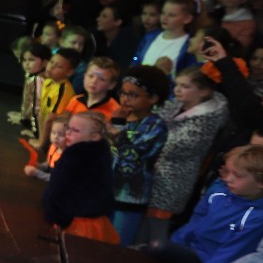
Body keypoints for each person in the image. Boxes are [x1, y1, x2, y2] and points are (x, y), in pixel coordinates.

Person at [148, 145, 263, 263]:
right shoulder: (218, 193)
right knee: (154, 249)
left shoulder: (260, 217)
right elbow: (194, 223)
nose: (228, 179)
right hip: (191, 249)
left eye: (237, 175)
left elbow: (232, 254)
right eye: (228, 172)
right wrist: (173, 246)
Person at [143, 67, 229, 243]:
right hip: (151, 174)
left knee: (156, 229)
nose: (178, 90)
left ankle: (153, 255)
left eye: (185, 86)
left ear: (203, 91)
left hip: (172, 180)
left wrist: (146, 140)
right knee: (142, 224)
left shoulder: (206, 120)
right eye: (177, 85)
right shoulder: (175, 104)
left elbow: (174, 147)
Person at [109, 66, 171, 244]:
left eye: (133, 95)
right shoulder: (119, 116)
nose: (125, 99)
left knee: (117, 244)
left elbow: (133, 153)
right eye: (123, 93)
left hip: (131, 198)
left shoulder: (155, 125)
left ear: (153, 98)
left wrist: (116, 128)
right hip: (107, 191)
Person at [42, 112, 118, 243]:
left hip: (78, 224)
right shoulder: (100, 154)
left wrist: (53, 215)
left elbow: (61, 191)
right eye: (68, 128)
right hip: (93, 221)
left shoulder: (76, 157)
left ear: (94, 136)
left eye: (75, 130)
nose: (68, 133)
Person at [136, 0, 199, 74]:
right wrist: (134, 62)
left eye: (171, 15)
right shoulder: (149, 37)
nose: (164, 18)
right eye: (163, 13)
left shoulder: (190, 45)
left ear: (187, 19)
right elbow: (136, 57)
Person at [11, 41, 51, 139]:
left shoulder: (39, 80)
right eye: (24, 60)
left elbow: (37, 107)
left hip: (41, 125)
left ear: (45, 62)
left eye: (31, 60)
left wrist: (35, 132)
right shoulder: (33, 76)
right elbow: (28, 101)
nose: (26, 63)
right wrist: (23, 117)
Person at [67, 56, 120, 121]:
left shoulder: (115, 111)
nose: (94, 81)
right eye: (91, 76)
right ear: (84, 77)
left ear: (111, 85)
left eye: (102, 79)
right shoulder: (75, 100)